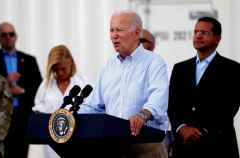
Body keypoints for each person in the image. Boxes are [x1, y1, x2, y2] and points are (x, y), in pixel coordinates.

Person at [79, 10, 169, 158]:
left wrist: (142, 115)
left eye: (119, 30)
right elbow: (94, 105)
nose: (114, 35)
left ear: (137, 32)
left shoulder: (154, 62)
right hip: (111, 146)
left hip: (146, 145)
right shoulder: (108, 66)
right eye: (111, 30)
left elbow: (158, 98)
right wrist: (68, 115)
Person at [168, 17, 240, 158]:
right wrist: (182, 128)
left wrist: (201, 131)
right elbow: (172, 104)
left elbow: (230, 107)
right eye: (195, 32)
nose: (198, 35)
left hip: (217, 146)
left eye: (204, 32)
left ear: (217, 38)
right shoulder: (180, 68)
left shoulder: (232, 69)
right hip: (184, 147)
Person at [29, 45, 89, 158]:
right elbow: (37, 110)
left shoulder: (82, 82)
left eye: (63, 69)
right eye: (56, 70)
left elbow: (92, 109)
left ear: (70, 62)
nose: (60, 73)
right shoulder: (45, 85)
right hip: (52, 142)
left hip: (78, 138)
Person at [0, 22, 42, 158]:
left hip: (22, 117)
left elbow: (39, 88)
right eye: (4, 35)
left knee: (21, 154)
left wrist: (22, 92)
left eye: (11, 34)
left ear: (16, 37)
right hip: (0, 118)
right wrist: (6, 83)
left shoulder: (29, 60)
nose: (8, 37)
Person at [139, 29, 169, 158]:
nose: (138, 44)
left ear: (152, 45)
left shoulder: (160, 68)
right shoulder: (115, 68)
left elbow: (159, 102)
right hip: (121, 142)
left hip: (151, 141)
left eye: (142, 41)